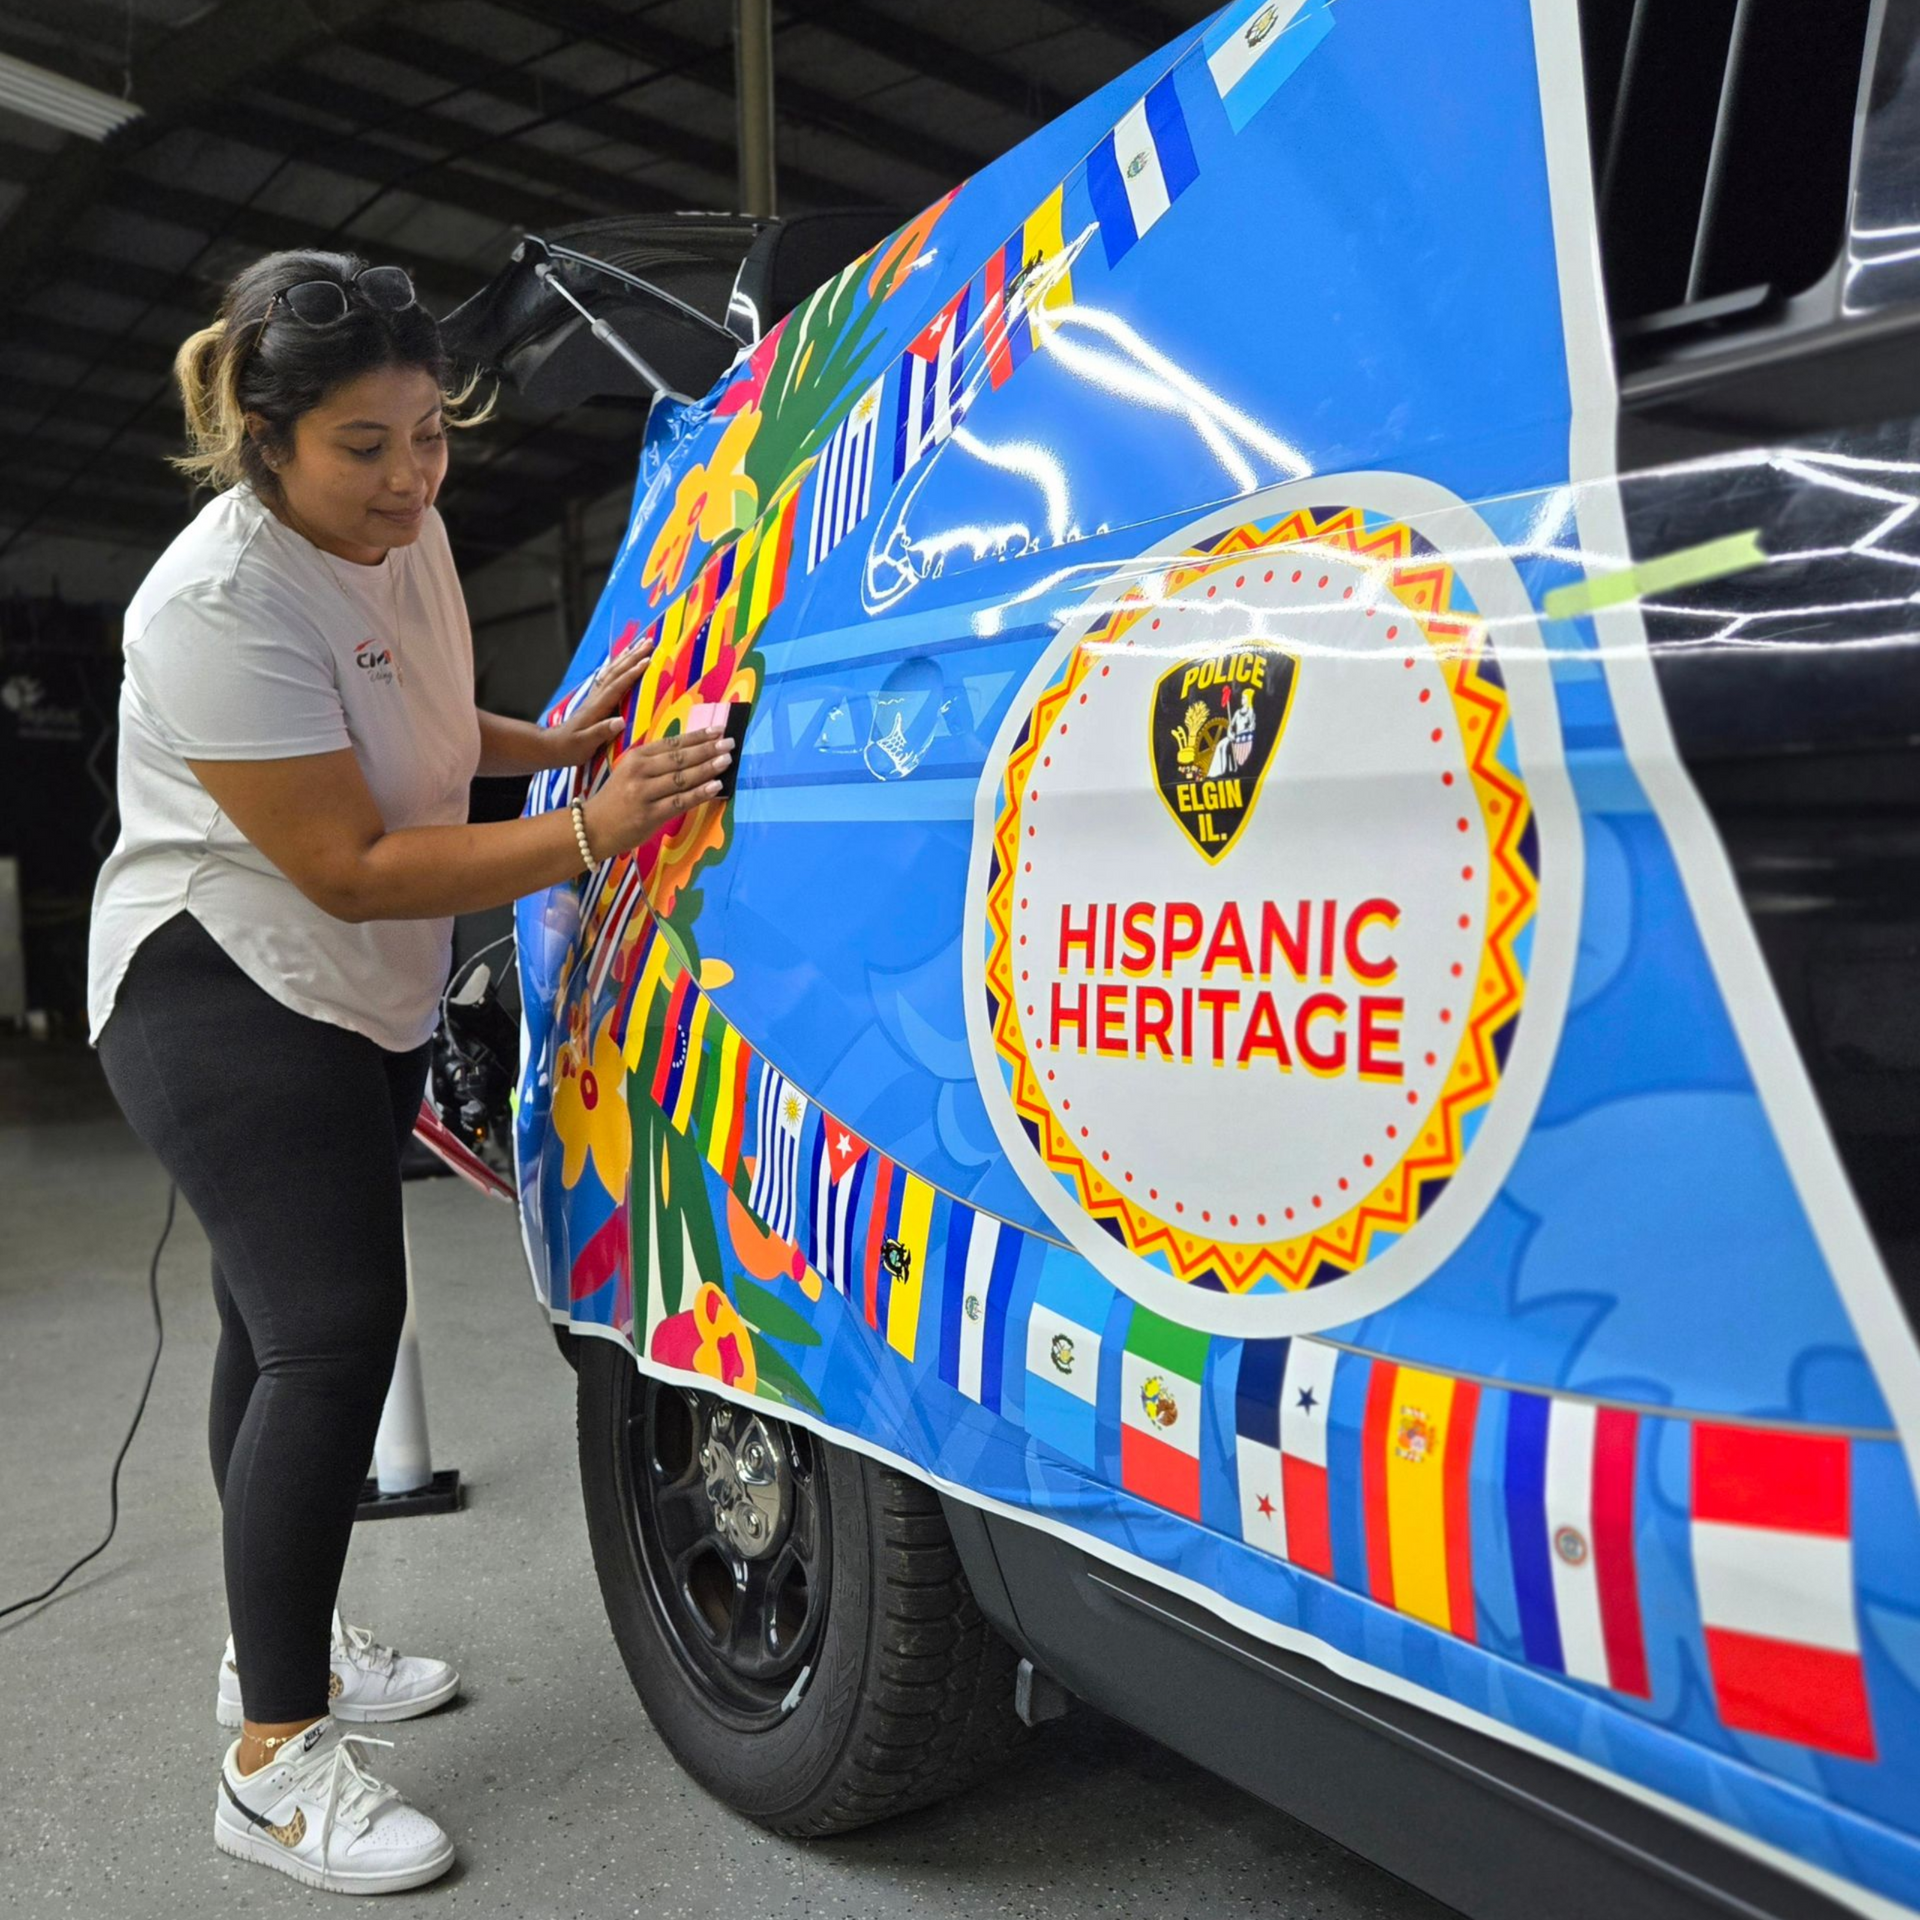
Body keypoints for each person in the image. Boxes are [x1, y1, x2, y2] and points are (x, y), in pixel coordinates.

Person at [87, 250, 730, 1896]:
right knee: (330, 1330)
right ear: (262, 433)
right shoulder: (213, 606)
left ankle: (268, 1654)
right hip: (214, 978)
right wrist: (591, 830)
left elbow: (432, 723)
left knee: (268, 1321)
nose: (409, 478)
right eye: (362, 448)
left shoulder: (413, 534)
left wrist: (561, 747)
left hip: (346, 981)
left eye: (428, 434)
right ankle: (271, 1767)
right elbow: (357, 860)